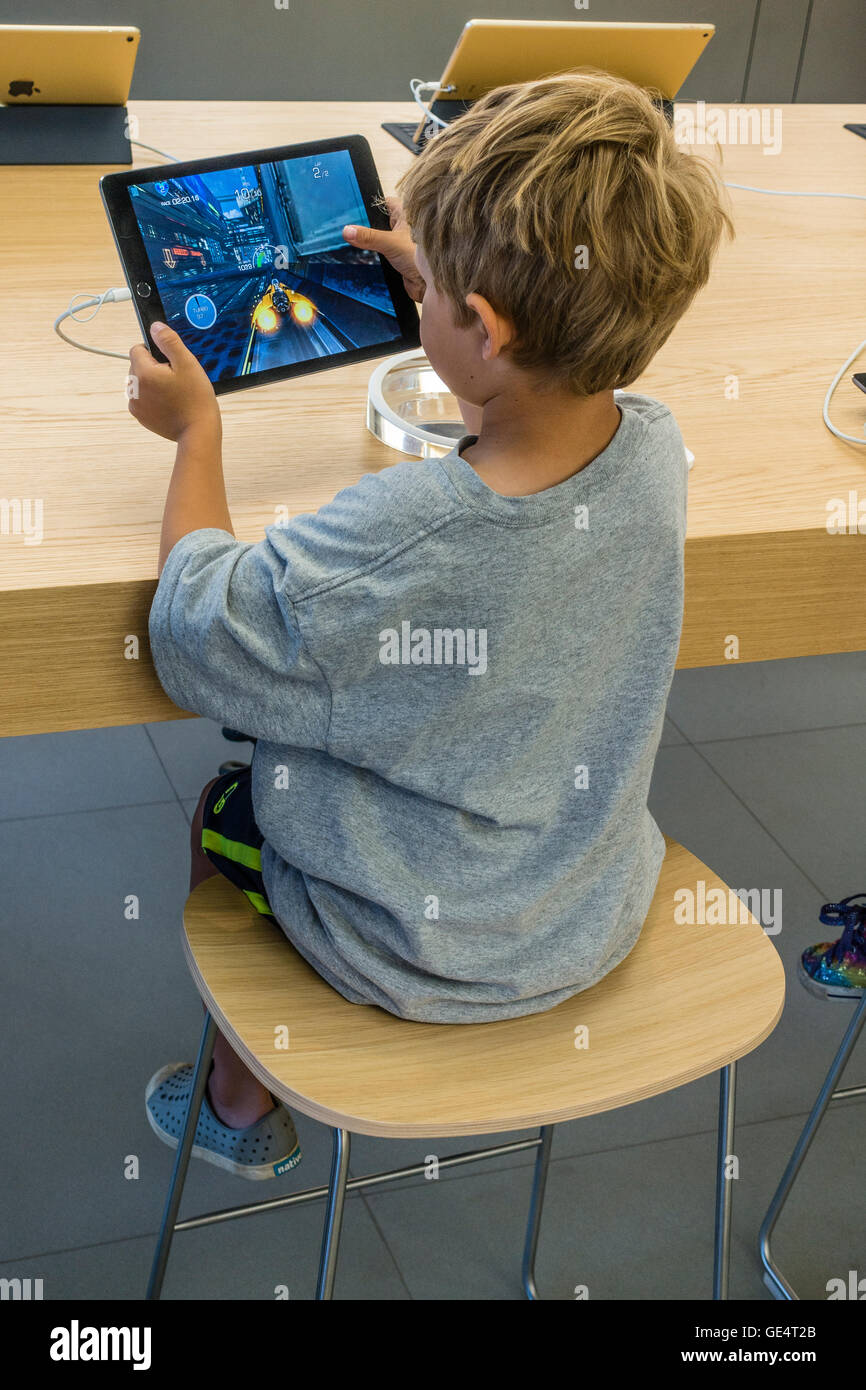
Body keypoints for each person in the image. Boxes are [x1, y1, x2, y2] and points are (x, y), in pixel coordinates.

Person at [134, 71, 733, 1179]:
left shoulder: (401, 537)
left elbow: (194, 629)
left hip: (411, 945)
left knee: (226, 810)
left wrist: (195, 438)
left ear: (482, 326)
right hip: (582, 905)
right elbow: (531, 390)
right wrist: (459, 287)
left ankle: (232, 1106)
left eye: (435, 293)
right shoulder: (652, 444)